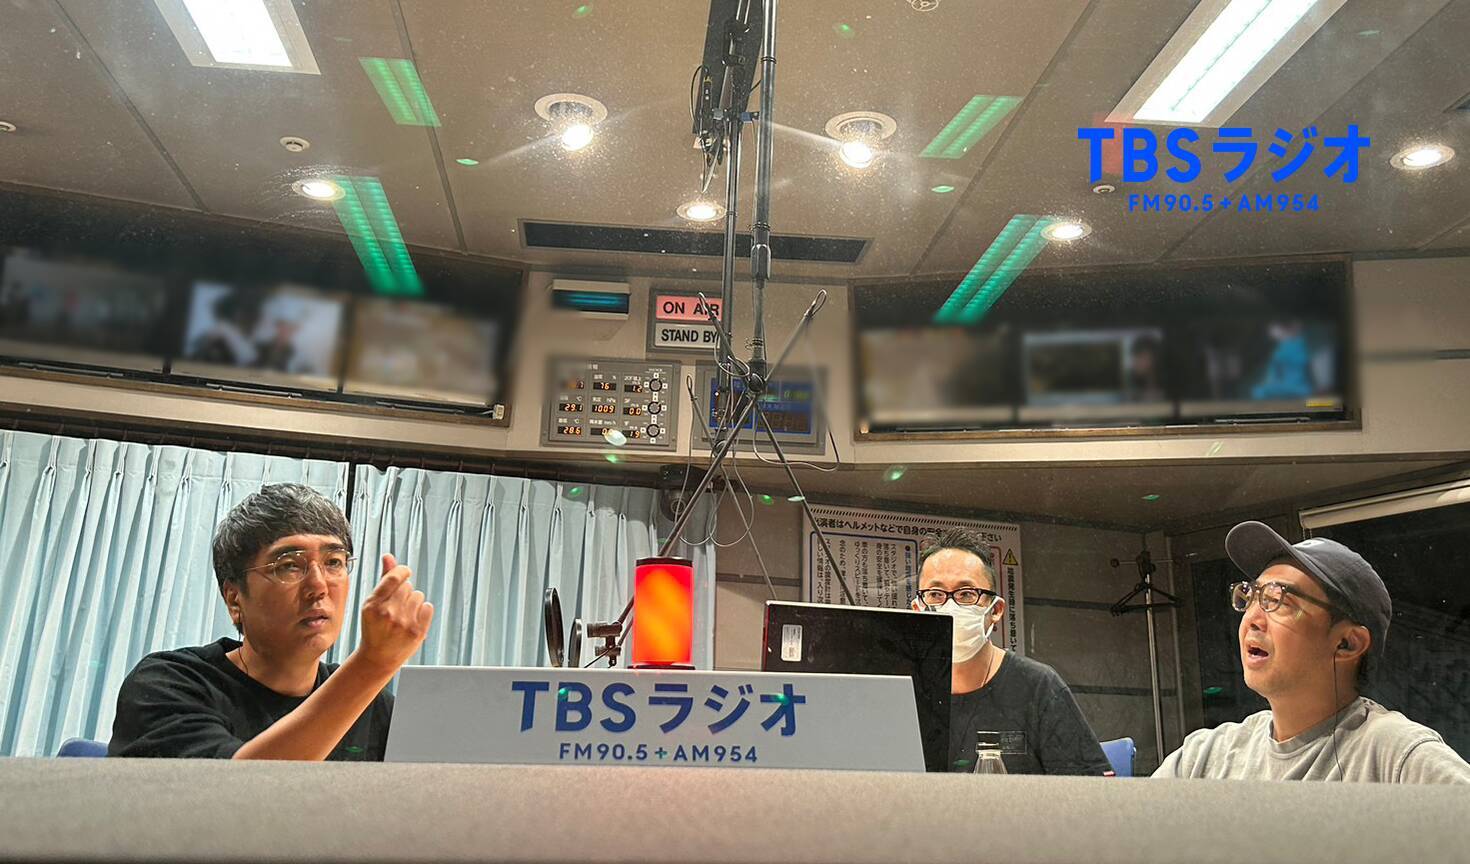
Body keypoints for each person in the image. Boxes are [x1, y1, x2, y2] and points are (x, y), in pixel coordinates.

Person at [108, 483, 433, 760]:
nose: (319, 585)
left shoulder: (374, 707)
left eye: (334, 562)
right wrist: (372, 665)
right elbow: (232, 797)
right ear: (234, 598)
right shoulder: (168, 684)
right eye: (289, 565)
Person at [1154, 520, 1470, 783]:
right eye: (1250, 597)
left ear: (1347, 643)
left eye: (1277, 600)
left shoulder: (1395, 758)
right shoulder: (1204, 758)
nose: (1252, 619)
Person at [911, 527, 1111, 774]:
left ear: (995, 610)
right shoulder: (902, 689)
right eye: (935, 594)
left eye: (966, 594)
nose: (950, 606)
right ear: (917, 610)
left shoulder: (1037, 687)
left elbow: (1090, 787)